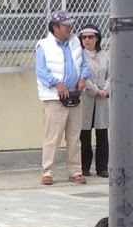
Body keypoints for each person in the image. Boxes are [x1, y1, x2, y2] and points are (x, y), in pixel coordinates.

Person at [35, 10, 86, 186]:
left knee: (74, 136)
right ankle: (48, 171)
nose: (70, 28)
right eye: (66, 25)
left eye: (70, 25)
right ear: (55, 27)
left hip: (75, 94)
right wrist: (57, 84)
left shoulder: (75, 42)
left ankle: (75, 171)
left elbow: (83, 64)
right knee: (53, 137)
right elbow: (41, 70)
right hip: (54, 98)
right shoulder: (44, 45)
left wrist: (83, 78)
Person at [77, 27, 111, 179]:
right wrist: (95, 90)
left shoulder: (104, 56)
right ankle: (84, 167)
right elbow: (81, 76)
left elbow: (111, 75)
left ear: (97, 38)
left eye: (90, 37)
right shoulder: (79, 56)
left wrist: (105, 90)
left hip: (102, 99)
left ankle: (102, 167)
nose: (87, 40)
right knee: (84, 134)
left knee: (102, 133)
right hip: (86, 97)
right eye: (84, 37)